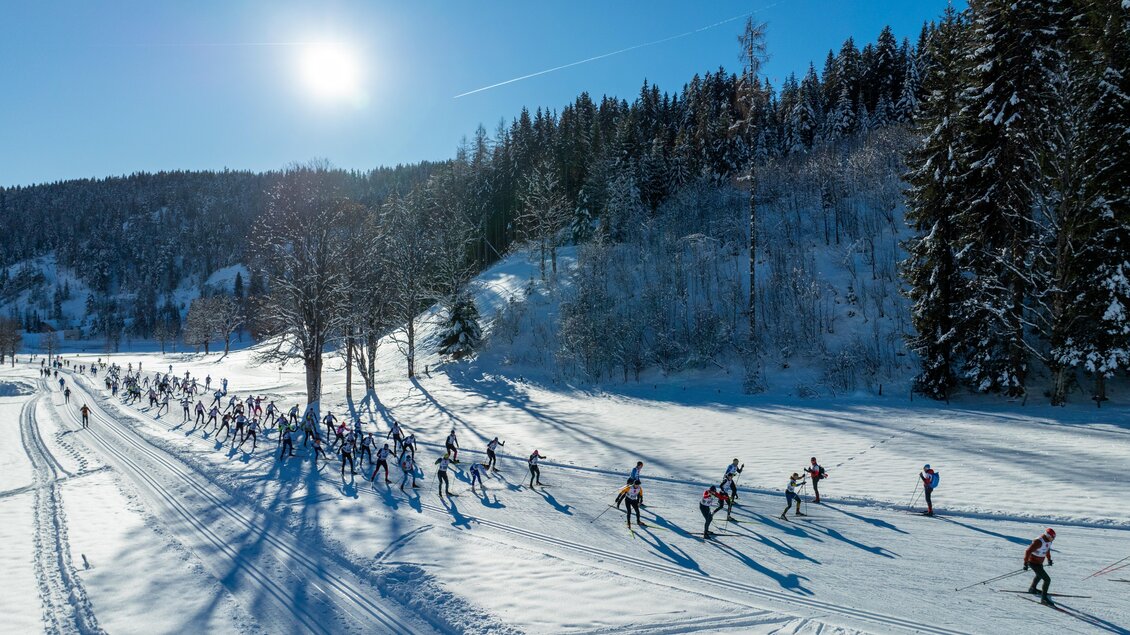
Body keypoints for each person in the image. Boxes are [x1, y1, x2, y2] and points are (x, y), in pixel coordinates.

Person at [1024, 528, 1056, 605]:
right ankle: (1044, 599)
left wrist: (1049, 559)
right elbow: (1028, 551)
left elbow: (1047, 549)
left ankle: (1032, 588)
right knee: (1047, 580)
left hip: (1039, 562)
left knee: (1039, 575)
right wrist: (1025, 563)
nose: (1053, 539)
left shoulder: (1049, 541)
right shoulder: (1038, 541)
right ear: (1048, 535)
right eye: (1052, 537)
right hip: (1033, 562)